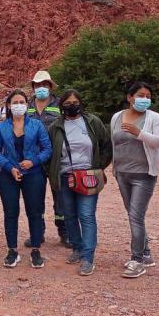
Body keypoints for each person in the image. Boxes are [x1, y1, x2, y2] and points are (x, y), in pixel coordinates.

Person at [47, 89, 112, 276]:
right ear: (61, 106)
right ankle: (76, 247)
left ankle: (87, 257)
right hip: (65, 176)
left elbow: (106, 145)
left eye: (75, 102)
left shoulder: (92, 122)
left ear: (81, 104)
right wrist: (51, 173)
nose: (72, 106)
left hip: (88, 176)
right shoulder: (55, 127)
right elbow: (49, 153)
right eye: (67, 103)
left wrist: (99, 166)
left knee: (86, 215)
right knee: (69, 214)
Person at [0, 89, 52, 269]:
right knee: (10, 213)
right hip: (9, 176)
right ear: (9, 106)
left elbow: (47, 149)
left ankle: (35, 250)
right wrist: (9, 167)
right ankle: (12, 250)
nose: (19, 106)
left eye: (22, 102)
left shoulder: (37, 125)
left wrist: (33, 161)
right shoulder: (1, 127)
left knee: (34, 212)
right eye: (15, 103)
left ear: (27, 104)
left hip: (33, 175)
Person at [110, 82, 159, 278]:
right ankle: (147, 253)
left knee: (135, 216)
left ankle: (137, 260)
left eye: (148, 96)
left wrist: (138, 133)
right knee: (134, 215)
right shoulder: (117, 117)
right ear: (129, 97)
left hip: (143, 174)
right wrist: (114, 168)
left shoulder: (154, 117)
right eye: (141, 95)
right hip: (122, 173)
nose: (145, 99)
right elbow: (114, 143)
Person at [26, 70, 69, 248]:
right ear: (33, 87)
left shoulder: (60, 104)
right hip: (33, 160)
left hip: (56, 159)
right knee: (35, 198)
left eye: (45, 84)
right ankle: (38, 233)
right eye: (38, 85)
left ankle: (64, 232)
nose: (41, 88)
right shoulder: (26, 105)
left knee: (60, 196)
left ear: (50, 86)